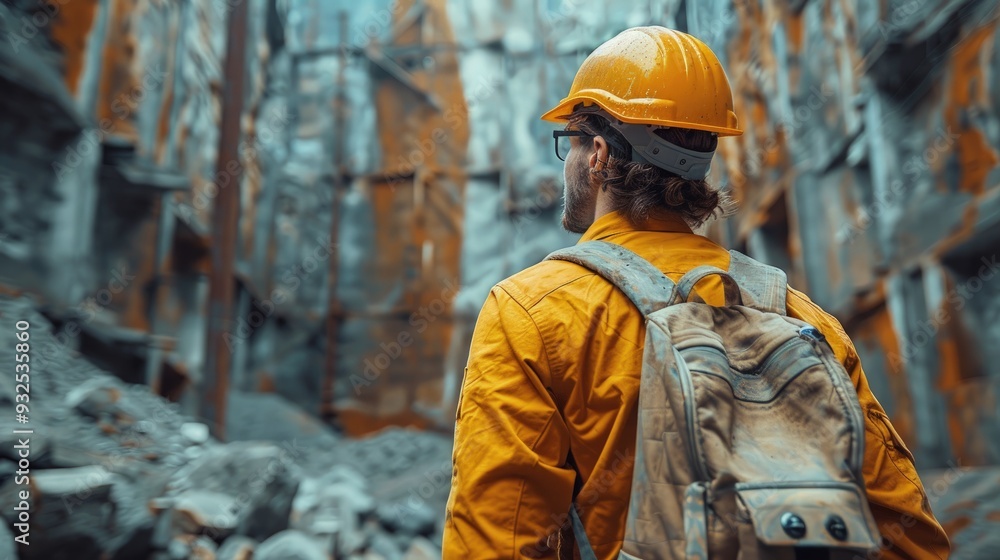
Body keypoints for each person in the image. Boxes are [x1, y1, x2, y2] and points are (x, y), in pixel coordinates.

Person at [442, 26, 949, 560]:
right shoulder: (803, 319)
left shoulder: (530, 311)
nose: (565, 160)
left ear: (596, 155)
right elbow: (908, 537)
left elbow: (496, 541)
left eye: (568, 142)